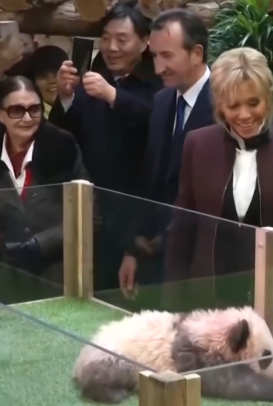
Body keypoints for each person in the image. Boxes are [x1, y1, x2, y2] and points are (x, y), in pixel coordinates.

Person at [158, 47, 273, 286]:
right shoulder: (198, 144)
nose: (244, 115)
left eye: (253, 103)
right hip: (207, 292)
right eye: (233, 106)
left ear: (268, 98)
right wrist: (173, 295)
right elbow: (182, 229)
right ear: (220, 106)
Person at [117, 8, 215, 290]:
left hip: (206, 263)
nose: (159, 68)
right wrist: (133, 249)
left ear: (197, 53)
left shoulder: (227, 105)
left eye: (167, 56)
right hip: (157, 258)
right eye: (155, 56)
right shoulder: (161, 101)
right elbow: (151, 180)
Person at [0, 76, 88, 303]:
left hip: (55, 278)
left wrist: (40, 244)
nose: (27, 118)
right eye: (17, 110)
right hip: (0, 279)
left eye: (34, 109)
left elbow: (89, 216)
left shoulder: (63, 147)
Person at [53, 2, 162, 196]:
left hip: (140, 199)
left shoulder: (158, 81)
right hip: (90, 194)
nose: (111, 47)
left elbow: (153, 122)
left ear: (145, 42)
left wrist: (113, 96)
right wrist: (65, 97)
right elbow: (63, 136)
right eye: (105, 38)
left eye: (122, 40)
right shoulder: (92, 81)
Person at [31, 45, 69, 119]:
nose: (51, 81)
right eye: (43, 76)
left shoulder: (85, 110)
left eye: (57, 74)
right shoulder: (31, 118)